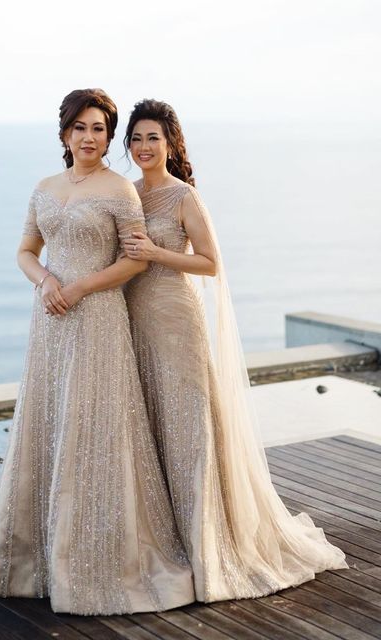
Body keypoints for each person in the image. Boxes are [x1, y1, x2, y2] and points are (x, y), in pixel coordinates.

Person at [0, 89, 195, 615]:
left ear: (106, 135)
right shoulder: (44, 187)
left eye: (99, 129)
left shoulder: (121, 189)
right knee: (48, 422)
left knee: (96, 427)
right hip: (49, 320)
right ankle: (36, 561)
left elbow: (135, 260)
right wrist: (46, 281)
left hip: (96, 317)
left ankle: (99, 562)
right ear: (64, 133)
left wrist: (79, 288)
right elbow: (25, 251)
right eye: (81, 128)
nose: (90, 137)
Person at [123, 98, 348, 602]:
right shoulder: (128, 194)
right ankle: (163, 536)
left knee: (188, 425)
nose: (143, 146)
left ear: (170, 143)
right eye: (135, 138)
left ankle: (206, 541)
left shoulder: (184, 197)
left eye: (152, 137)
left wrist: (157, 253)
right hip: (136, 318)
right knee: (152, 424)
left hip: (177, 319)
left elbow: (211, 264)